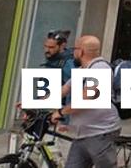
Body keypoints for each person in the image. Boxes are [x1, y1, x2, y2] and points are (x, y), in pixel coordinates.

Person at [51, 35, 120, 168]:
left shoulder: (101, 69)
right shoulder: (83, 70)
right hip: (82, 134)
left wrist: (60, 112)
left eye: (74, 49)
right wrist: (32, 102)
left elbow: (85, 99)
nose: (73, 53)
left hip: (100, 133)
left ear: (81, 51)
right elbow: (63, 89)